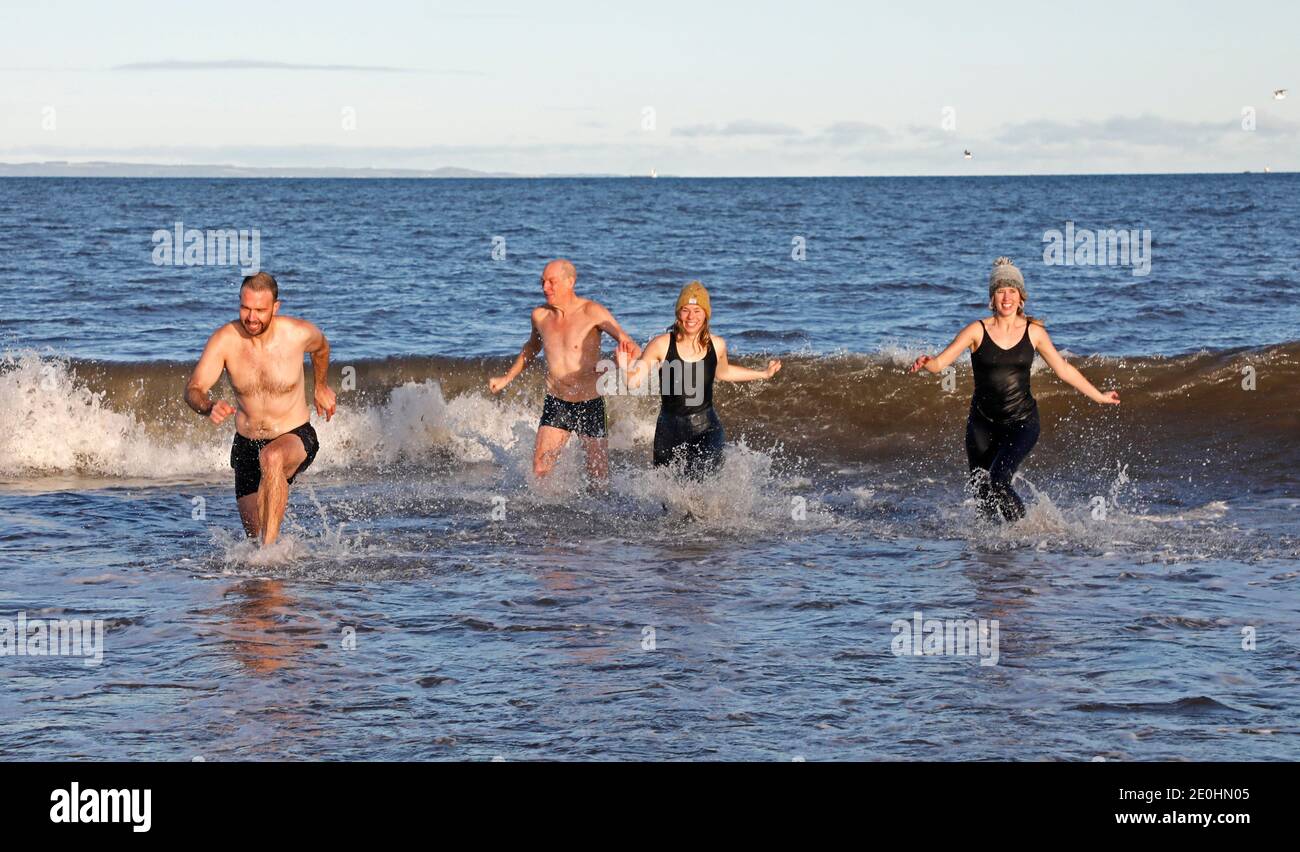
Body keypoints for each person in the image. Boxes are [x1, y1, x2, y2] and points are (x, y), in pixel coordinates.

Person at [910, 257, 1119, 522]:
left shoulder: (1035, 332)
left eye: (1012, 291)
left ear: (1021, 297)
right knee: (982, 494)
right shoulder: (977, 330)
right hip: (982, 424)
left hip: (1021, 422)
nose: (1006, 297)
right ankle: (993, 558)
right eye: (1000, 291)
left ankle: (1022, 533)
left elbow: (1063, 370)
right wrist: (927, 363)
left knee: (998, 480)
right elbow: (941, 363)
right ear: (992, 298)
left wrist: (1099, 396)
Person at [184, 272, 336, 545]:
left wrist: (320, 386)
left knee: (272, 458)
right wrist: (208, 407)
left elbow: (322, 348)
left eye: (260, 310)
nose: (251, 318)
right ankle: (267, 568)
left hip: (295, 435)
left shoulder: (297, 333)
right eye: (245, 308)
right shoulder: (225, 340)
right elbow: (193, 389)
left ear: (275, 308)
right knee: (254, 538)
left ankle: (270, 558)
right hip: (246, 445)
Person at [489, 259, 640, 482]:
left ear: (570, 281)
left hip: (590, 402)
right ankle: (544, 514)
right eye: (542, 282)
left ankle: (600, 515)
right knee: (540, 472)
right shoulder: (540, 316)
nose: (545, 288)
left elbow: (632, 348)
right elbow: (532, 348)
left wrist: (616, 365)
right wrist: (507, 378)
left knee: (598, 478)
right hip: (557, 401)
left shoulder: (592, 312)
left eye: (552, 282)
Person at [620, 281, 781, 478]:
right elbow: (633, 383)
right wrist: (623, 366)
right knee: (667, 497)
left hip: (706, 428)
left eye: (697, 310)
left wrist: (763, 374)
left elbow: (723, 373)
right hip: (668, 431)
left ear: (706, 314)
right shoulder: (661, 344)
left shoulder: (718, 345)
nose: (691, 317)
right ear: (678, 313)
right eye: (685, 310)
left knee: (698, 480)